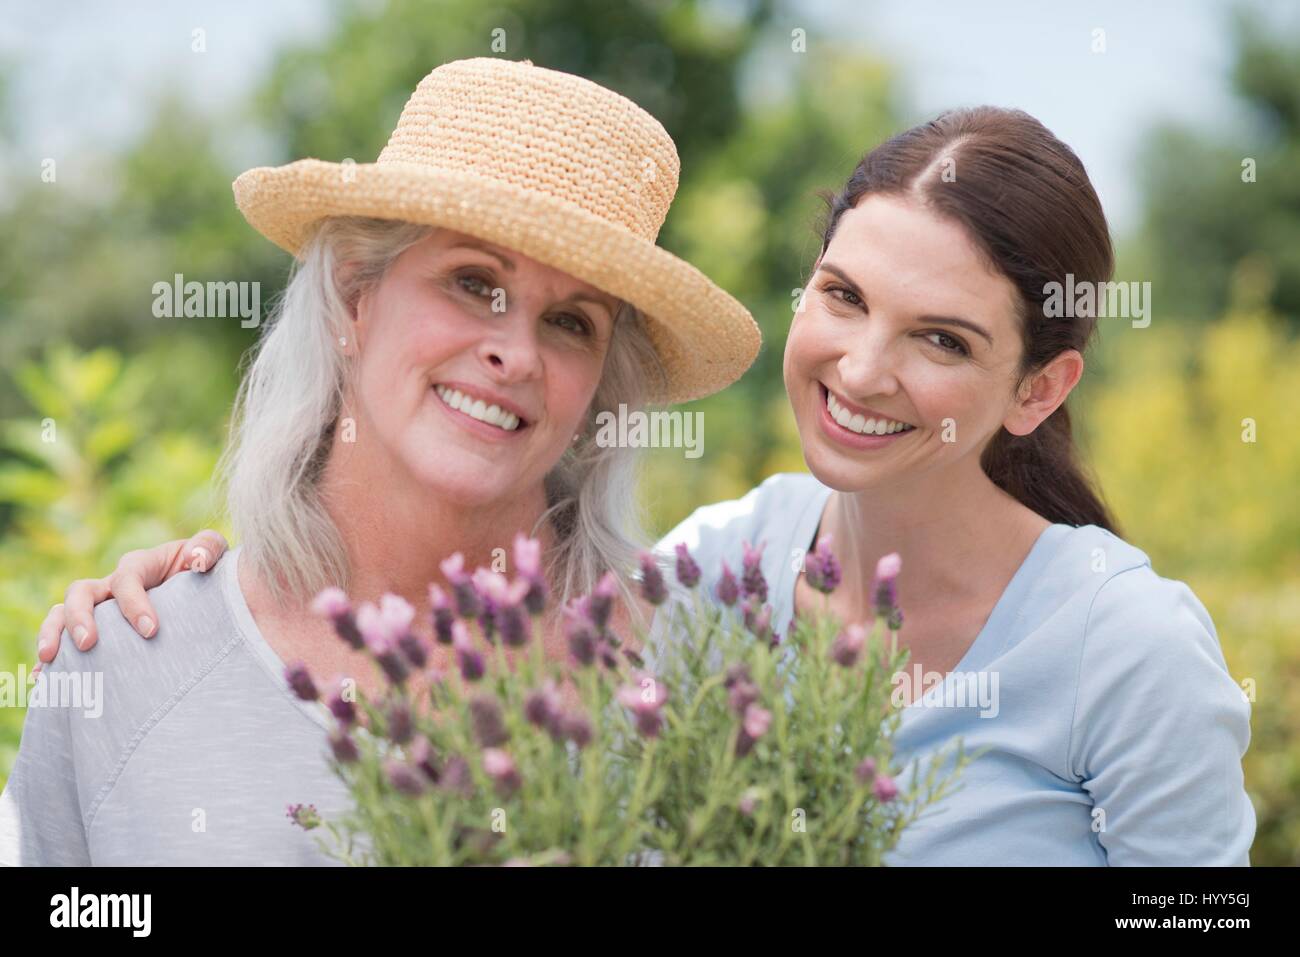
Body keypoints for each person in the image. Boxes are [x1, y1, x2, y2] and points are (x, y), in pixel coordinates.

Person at [26, 106, 1256, 867]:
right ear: (353, 298)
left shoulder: (1121, 646)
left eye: (944, 339)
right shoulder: (713, 586)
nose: (865, 367)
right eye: (841, 298)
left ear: (1037, 391)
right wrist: (182, 603)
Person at [0, 57, 759, 866]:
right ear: (356, 297)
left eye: (572, 322)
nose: (515, 353)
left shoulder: (697, 683)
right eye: (473, 281)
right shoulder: (127, 663)